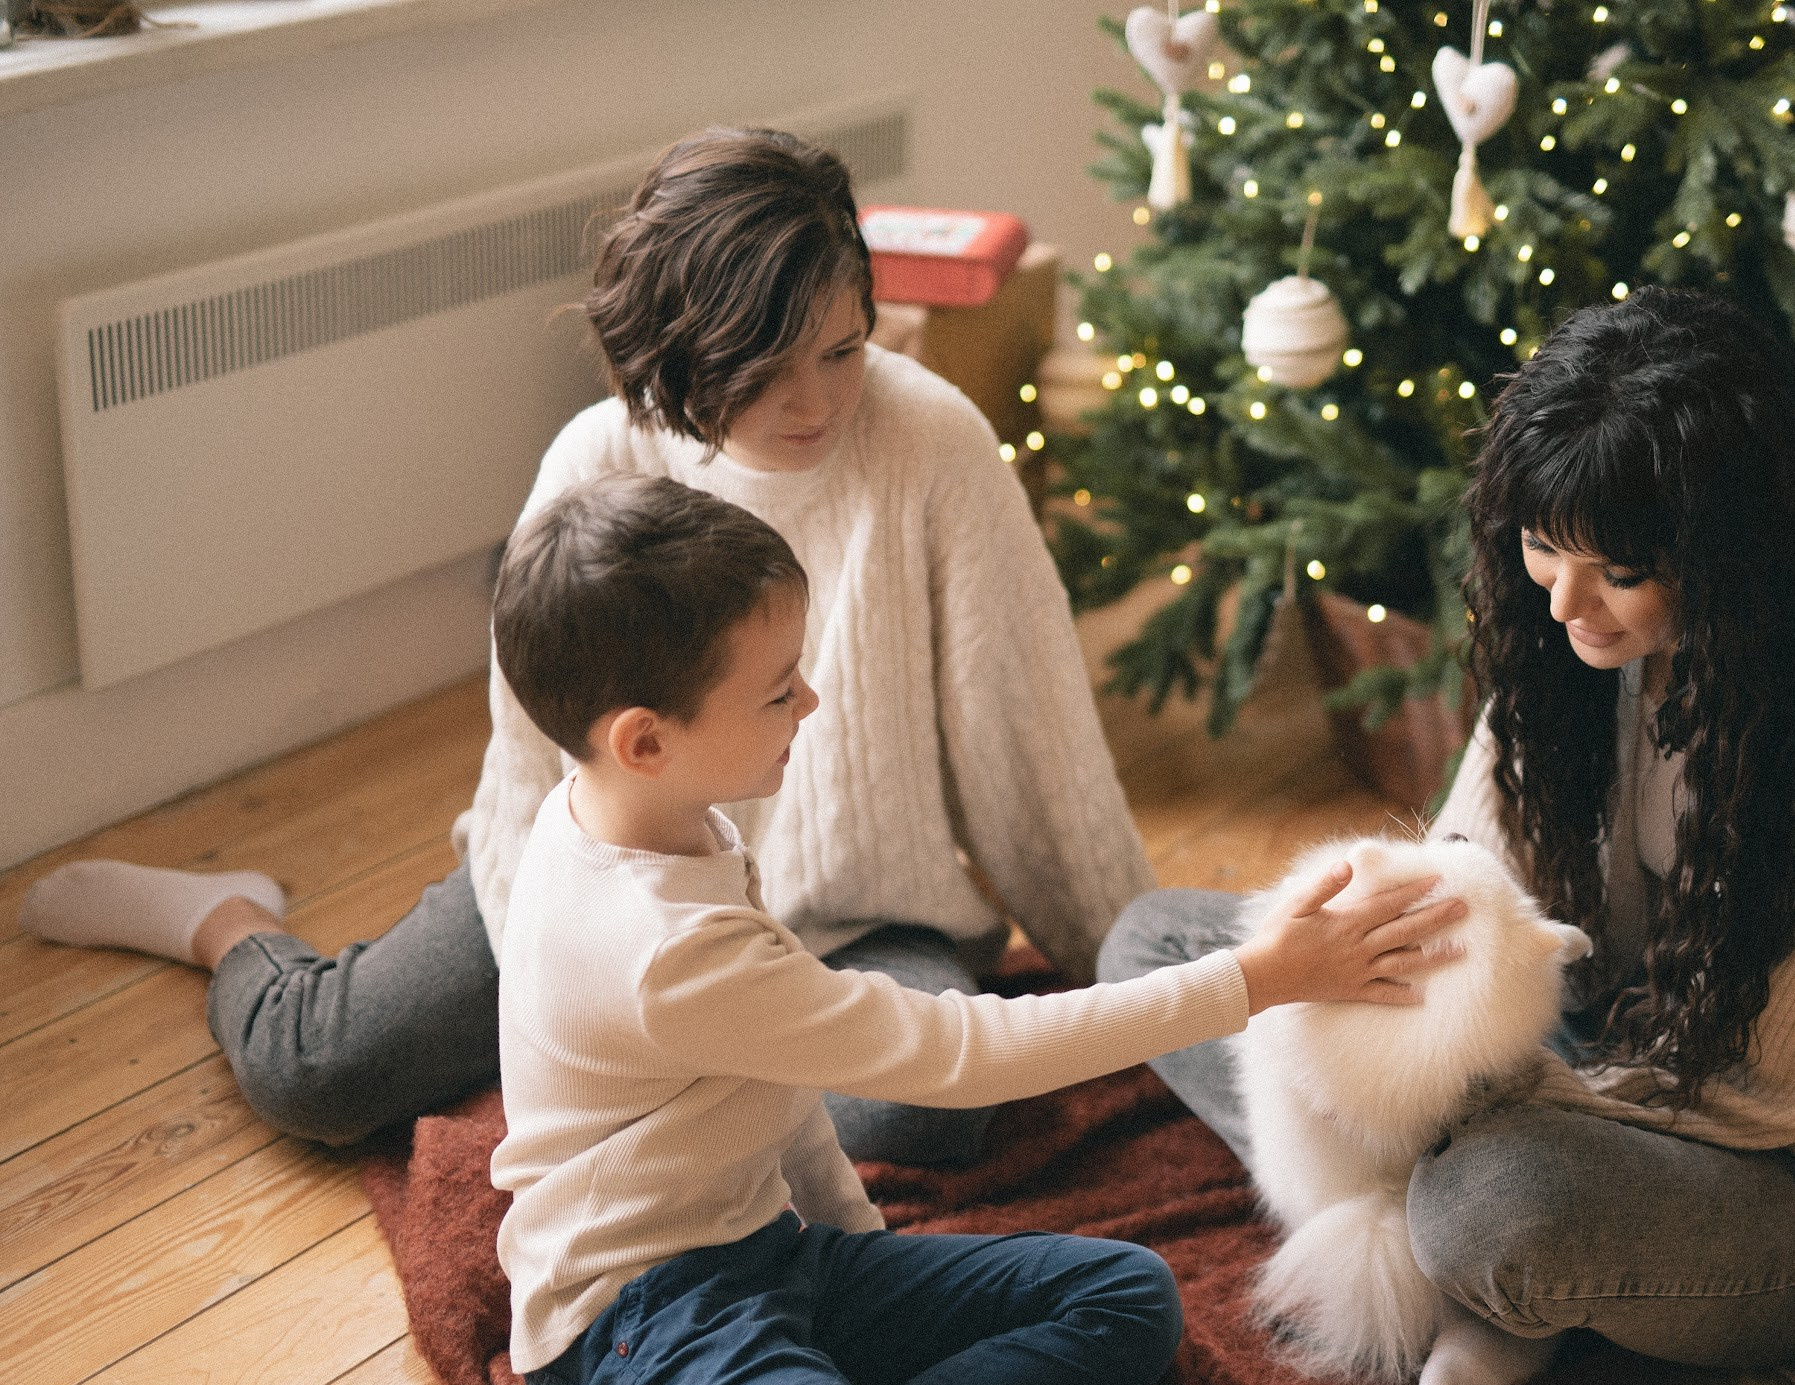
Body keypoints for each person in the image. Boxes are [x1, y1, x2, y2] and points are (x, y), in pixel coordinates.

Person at [325, 474, 1464, 1385]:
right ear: (645, 739)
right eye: (776, 691)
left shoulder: (642, 815)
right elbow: (956, 1053)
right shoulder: (662, 944)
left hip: (768, 1263)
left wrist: (860, 1251)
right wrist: (1254, 975)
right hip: (640, 1331)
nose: (808, 700)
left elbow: (773, 1085)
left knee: (1125, 1297)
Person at [20, 127, 1144, 1164]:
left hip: (852, 918)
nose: (817, 401)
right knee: (323, 1072)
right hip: (605, 892)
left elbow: (1029, 745)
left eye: (842, 351)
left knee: (910, 1112)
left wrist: (1133, 972)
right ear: (684, 344)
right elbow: (527, 765)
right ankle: (223, 921)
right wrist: (555, 989)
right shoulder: (596, 461)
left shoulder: (934, 445)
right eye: (766, 365)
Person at [1102, 287, 1795, 1385]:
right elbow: (1466, 867)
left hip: (1788, 1165)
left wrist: (1463, 1091)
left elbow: (1765, 1090)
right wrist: (1366, 956)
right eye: (1541, 545)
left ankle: (1479, 1264)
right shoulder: (1581, 646)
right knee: (1163, 948)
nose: (1561, 599)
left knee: (1491, 1207)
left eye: (1615, 569)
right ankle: (1488, 1273)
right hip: (1591, 1044)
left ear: (1731, 556)